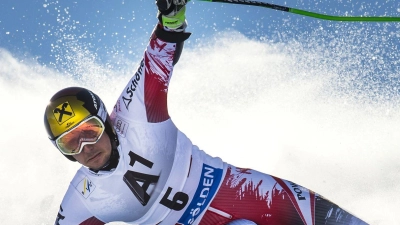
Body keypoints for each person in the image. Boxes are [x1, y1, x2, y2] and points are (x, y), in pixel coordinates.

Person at [44, 1, 369, 224]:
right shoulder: (82, 198)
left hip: (240, 191)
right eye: (70, 144)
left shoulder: (135, 113)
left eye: (89, 132)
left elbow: (160, 52)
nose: (85, 149)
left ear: (106, 122)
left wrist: (171, 16)